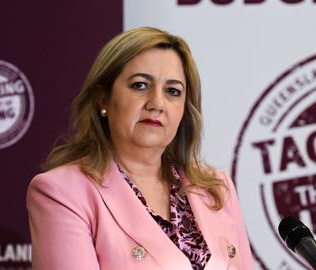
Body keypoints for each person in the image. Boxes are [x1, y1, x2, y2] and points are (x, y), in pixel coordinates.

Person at [26, 27, 255, 270]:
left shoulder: (217, 188)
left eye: (173, 91)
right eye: (140, 85)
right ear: (103, 98)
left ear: (184, 110)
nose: (157, 103)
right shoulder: (63, 192)